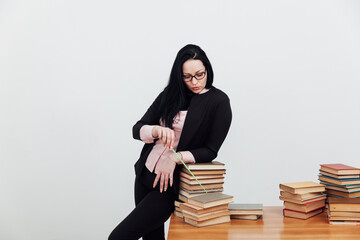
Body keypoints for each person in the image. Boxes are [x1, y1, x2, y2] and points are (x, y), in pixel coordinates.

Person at [108, 44, 232, 240]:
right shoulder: (170, 94)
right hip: (143, 175)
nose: (194, 81)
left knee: (118, 237)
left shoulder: (219, 101)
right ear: (179, 76)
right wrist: (156, 130)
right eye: (187, 76)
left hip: (169, 185)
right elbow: (137, 128)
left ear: (207, 69)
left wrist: (175, 157)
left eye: (200, 74)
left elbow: (210, 150)